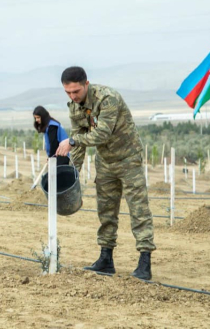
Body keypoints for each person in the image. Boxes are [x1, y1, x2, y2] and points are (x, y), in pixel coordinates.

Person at [55, 66, 155, 280]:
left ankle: (145, 261)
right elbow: (79, 137)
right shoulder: (74, 106)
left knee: (138, 209)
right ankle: (106, 259)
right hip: (105, 162)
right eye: (68, 93)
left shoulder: (108, 98)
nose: (73, 97)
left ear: (86, 84)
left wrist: (72, 142)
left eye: (76, 92)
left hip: (129, 159)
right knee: (106, 210)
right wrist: (73, 172)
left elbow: (101, 134)